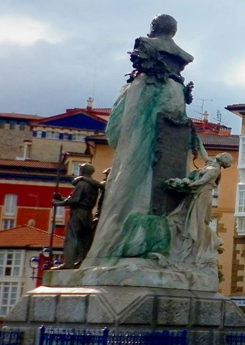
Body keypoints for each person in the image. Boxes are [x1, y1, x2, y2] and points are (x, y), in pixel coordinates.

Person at [83, 14, 208, 267]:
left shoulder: (145, 43)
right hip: (174, 93)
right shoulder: (182, 55)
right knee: (147, 157)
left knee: (135, 157)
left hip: (148, 90)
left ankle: (120, 237)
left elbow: (116, 132)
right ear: (174, 31)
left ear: (153, 28)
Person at [166, 153, 232, 265]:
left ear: (224, 160)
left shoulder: (215, 170)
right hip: (198, 194)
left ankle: (197, 249)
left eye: (224, 155)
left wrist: (188, 185)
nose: (221, 154)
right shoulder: (212, 163)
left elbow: (202, 181)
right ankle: (194, 246)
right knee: (192, 217)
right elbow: (204, 154)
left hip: (203, 195)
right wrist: (196, 139)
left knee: (198, 220)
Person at [53, 164, 101, 269]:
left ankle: (69, 263)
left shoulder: (82, 184)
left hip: (78, 214)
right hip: (88, 214)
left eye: (80, 169)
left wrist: (58, 203)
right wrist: (62, 199)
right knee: (83, 241)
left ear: (83, 171)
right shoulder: (94, 186)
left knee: (72, 238)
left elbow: (75, 200)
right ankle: (81, 262)